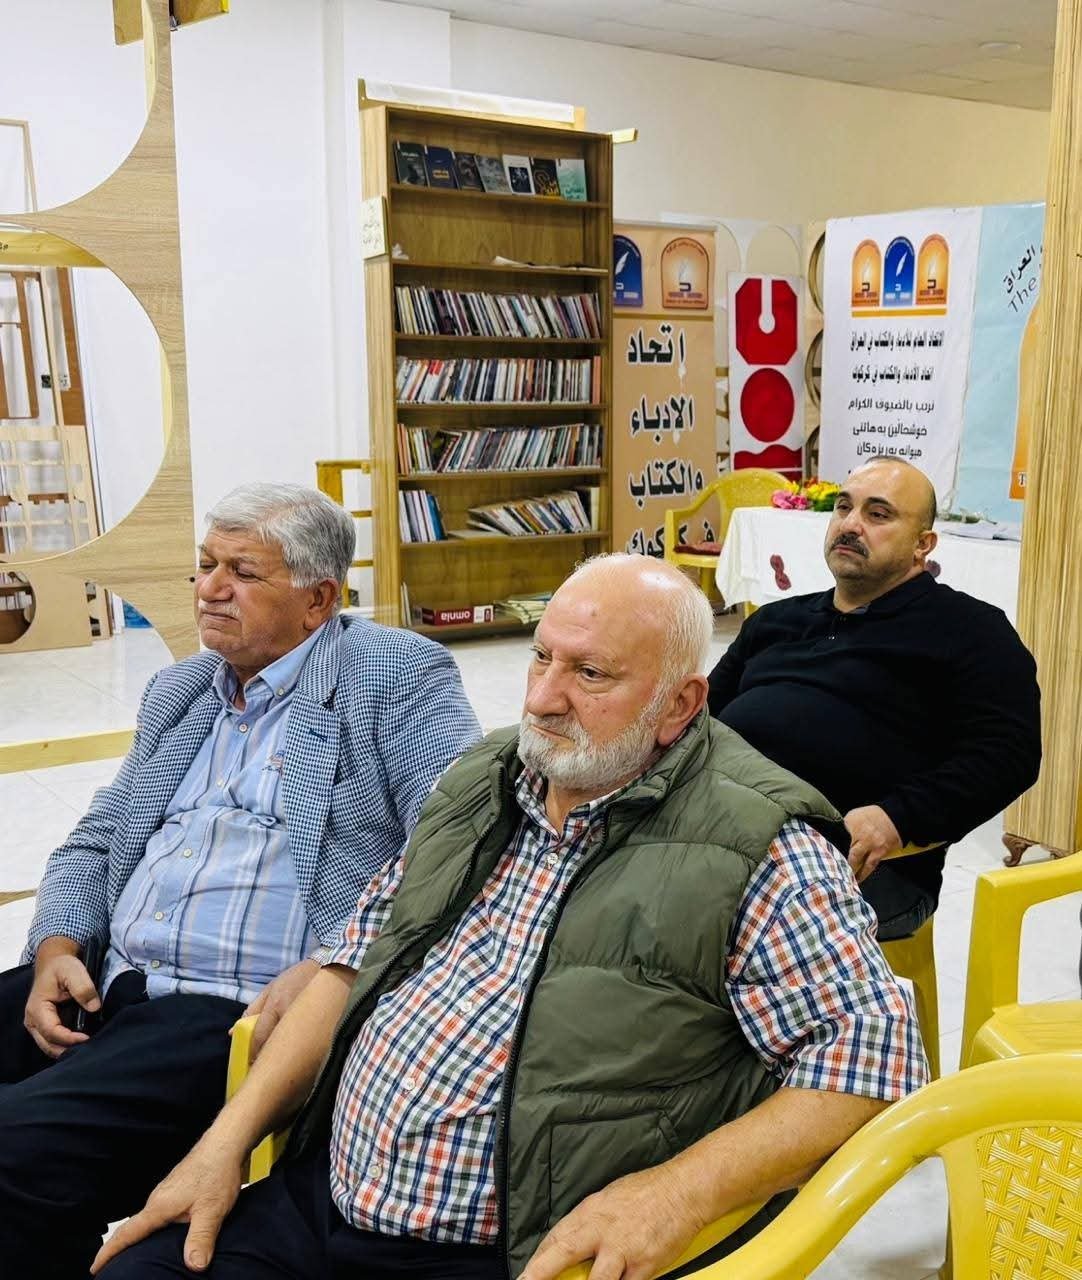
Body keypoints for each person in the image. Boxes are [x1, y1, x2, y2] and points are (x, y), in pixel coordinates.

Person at [94, 553, 926, 1280]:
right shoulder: (485, 777)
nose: (544, 698)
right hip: (325, 1200)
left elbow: (874, 1064)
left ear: (679, 705)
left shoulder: (759, 844)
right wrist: (223, 1145)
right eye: (541, 658)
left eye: (590, 674)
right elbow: (355, 961)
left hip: (510, 1248)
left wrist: (676, 1193)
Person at [0, 482, 481, 1279]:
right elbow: (99, 834)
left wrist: (333, 963)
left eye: (243, 572)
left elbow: (455, 841)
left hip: (222, 1011)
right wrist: (57, 943)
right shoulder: (186, 689)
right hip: (105, 978)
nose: (210, 588)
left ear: (319, 599)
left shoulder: (394, 676)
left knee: (16, 1148)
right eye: (206, 565)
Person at [708, 456, 1041, 941]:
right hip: (720, 830)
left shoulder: (970, 631)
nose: (850, 524)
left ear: (923, 545)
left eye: (878, 514)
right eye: (844, 507)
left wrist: (898, 817)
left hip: (855, 865)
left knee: (696, 922)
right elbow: (700, 719)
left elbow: (1008, 755)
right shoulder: (776, 621)